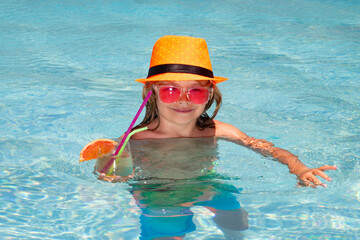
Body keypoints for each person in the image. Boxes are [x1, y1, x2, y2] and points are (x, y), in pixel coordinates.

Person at [131, 35, 337, 188]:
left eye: (196, 91)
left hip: (207, 185)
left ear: (210, 93)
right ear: (151, 92)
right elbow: (111, 169)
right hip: (155, 188)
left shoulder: (217, 131)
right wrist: (111, 173)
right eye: (170, 90)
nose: (183, 100)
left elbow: (270, 149)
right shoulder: (136, 138)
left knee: (238, 221)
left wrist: (300, 169)